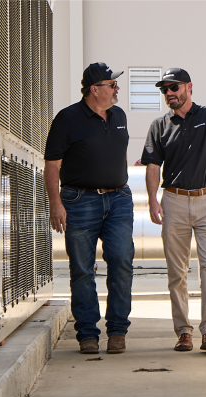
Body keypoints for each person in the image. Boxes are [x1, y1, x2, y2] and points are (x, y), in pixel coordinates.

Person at [141, 53, 206, 351]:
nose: (169, 94)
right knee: (177, 272)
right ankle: (183, 331)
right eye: (164, 90)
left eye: (173, 87)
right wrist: (152, 200)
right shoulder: (159, 126)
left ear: (188, 87)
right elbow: (152, 167)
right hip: (173, 201)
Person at [44, 62, 134, 354]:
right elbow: (52, 166)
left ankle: (118, 331)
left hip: (119, 199)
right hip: (79, 201)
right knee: (82, 269)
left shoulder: (118, 115)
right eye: (111, 84)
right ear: (95, 90)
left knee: (121, 261)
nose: (116, 88)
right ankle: (87, 334)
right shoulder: (67, 119)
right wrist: (55, 203)